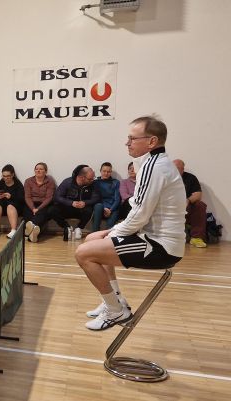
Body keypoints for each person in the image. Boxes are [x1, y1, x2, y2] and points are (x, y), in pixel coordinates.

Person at [74, 115, 185, 330]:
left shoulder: (154, 167)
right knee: (92, 239)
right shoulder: (152, 163)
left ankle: (115, 311)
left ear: (152, 141)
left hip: (161, 246)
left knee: (83, 253)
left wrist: (112, 233)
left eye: (133, 138)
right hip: (151, 236)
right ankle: (116, 300)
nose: (127, 143)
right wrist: (111, 232)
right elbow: (139, 211)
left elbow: (140, 214)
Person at [50, 165, 99, 241]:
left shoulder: (93, 184)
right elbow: (57, 197)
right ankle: (67, 227)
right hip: (68, 208)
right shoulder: (67, 182)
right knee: (51, 210)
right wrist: (71, 203)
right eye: (90, 179)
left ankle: (79, 228)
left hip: (82, 210)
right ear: (81, 177)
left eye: (93, 178)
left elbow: (96, 198)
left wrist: (85, 202)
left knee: (89, 210)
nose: (92, 180)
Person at [173, 159, 208, 248]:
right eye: (173, 168)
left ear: (182, 169)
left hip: (186, 208)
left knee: (200, 205)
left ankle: (196, 238)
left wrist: (188, 200)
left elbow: (198, 194)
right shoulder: (164, 177)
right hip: (169, 208)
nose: (175, 170)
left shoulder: (190, 178)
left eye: (178, 168)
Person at [23, 162, 55, 243]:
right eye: (36, 169)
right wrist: (33, 208)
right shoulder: (28, 181)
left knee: (41, 214)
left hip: (43, 204)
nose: (38, 171)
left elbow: (49, 198)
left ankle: (28, 232)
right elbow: (27, 197)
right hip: (31, 203)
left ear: (45, 171)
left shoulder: (50, 181)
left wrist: (38, 208)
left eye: (41, 169)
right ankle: (33, 233)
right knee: (28, 214)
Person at [0, 164, 25, 238]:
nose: (6, 178)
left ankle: (13, 230)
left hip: (15, 207)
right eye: (4, 176)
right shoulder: (0, 184)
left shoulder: (18, 184)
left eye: (8, 176)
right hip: (2, 207)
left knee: (10, 206)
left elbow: (21, 199)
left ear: (12, 175)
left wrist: (11, 196)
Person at [92, 162, 121, 232]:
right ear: (100, 171)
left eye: (108, 172)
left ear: (111, 172)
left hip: (113, 208)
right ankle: (95, 233)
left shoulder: (116, 182)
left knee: (109, 227)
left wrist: (110, 210)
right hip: (100, 207)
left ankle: (107, 236)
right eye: (104, 171)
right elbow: (95, 198)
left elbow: (117, 199)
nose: (106, 173)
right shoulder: (95, 182)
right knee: (98, 206)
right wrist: (104, 208)